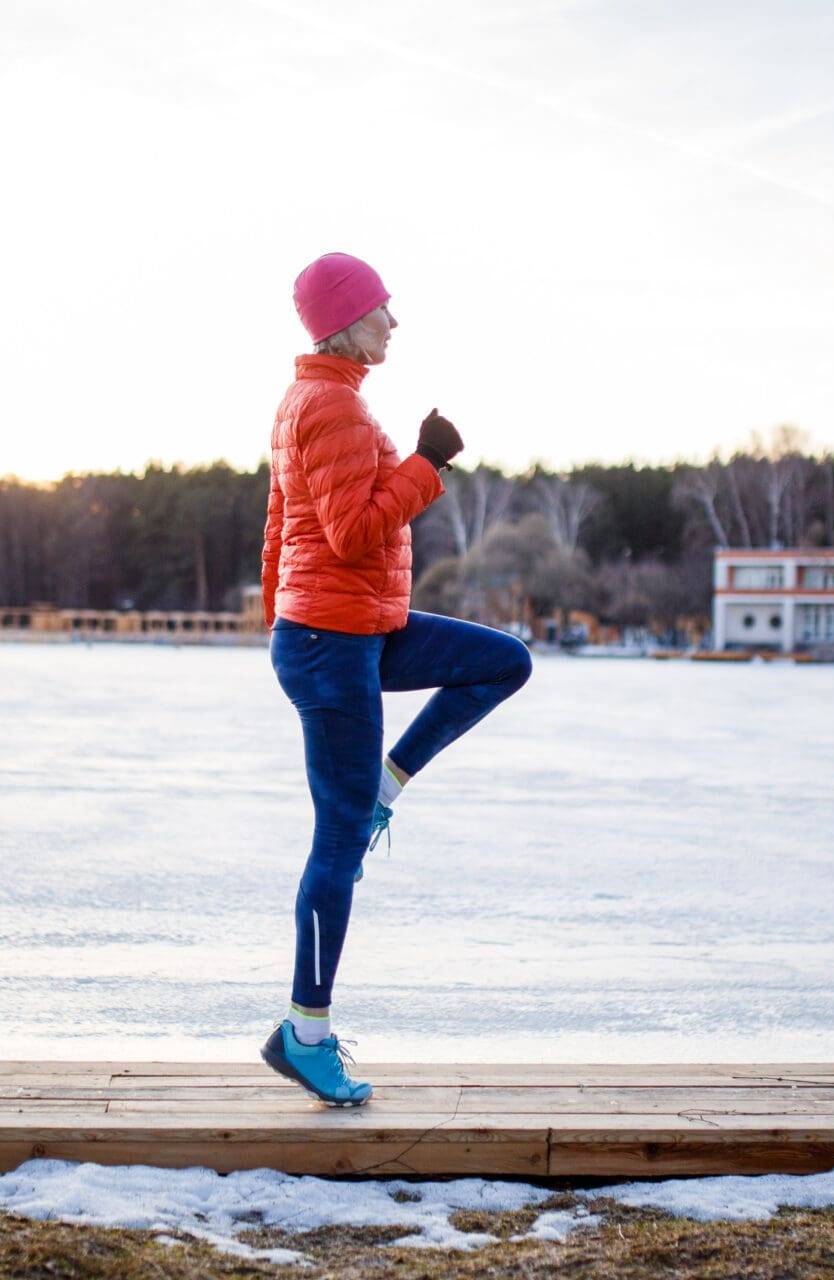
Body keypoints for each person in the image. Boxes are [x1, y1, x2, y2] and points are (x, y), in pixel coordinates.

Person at [257, 252, 534, 1106]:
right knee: (335, 847)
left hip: (352, 632)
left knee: (502, 662)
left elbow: (281, 528)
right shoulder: (332, 405)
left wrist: (279, 616)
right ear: (346, 318)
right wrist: (426, 464)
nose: (394, 321)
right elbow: (349, 532)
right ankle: (305, 1034)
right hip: (334, 640)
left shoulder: (320, 399)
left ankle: (387, 782)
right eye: (383, 307)